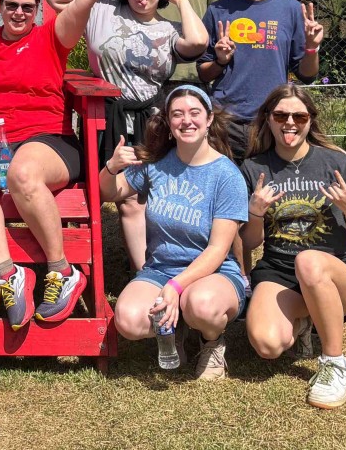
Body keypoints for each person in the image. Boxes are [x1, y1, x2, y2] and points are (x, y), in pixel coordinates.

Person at [0, 0, 144, 331]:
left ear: (37, 9)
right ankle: (9, 273)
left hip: (49, 141)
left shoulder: (52, 36)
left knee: (24, 172)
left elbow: (84, 0)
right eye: (11, 6)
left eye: (27, 6)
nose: (19, 12)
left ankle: (62, 270)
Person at [45, 0, 208, 271]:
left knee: (152, 195)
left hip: (153, 117)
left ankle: (158, 266)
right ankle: (142, 272)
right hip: (107, 113)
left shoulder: (169, 29)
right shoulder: (101, 9)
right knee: (122, 193)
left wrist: (181, 0)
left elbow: (198, 41)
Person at [104, 86, 248, 381]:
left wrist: (175, 288)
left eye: (195, 113)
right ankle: (179, 325)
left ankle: (211, 340)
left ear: (208, 120)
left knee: (202, 306)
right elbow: (109, 192)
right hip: (161, 269)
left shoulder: (227, 176)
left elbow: (218, 250)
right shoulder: (156, 164)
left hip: (213, 273)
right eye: (177, 114)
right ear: (168, 123)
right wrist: (111, 167)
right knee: (128, 321)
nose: (186, 120)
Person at [241, 84, 346, 409]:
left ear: (311, 119)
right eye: (281, 115)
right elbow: (251, 242)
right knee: (268, 344)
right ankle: (310, 317)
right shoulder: (254, 169)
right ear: (268, 119)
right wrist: (255, 212)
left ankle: (335, 364)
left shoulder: (337, 163)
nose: (290, 122)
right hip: (278, 271)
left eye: (299, 115)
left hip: (337, 273)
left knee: (310, 261)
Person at [198, 0, 323, 161]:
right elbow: (203, 72)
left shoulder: (291, 10)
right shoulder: (218, 11)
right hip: (226, 120)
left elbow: (308, 75)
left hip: (272, 119)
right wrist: (220, 61)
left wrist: (312, 47)